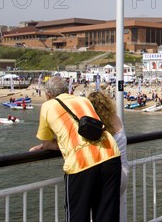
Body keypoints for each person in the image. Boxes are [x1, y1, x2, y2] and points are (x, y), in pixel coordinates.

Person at [29, 76, 121, 222]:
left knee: (77, 215)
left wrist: (61, 143)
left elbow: (47, 144)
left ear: (48, 95)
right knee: (107, 215)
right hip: (110, 155)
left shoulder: (47, 106)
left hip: (81, 162)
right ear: (68, 90)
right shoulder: (83, 100)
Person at [88, 91, 129, 222]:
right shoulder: (116, 119)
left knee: (101, 211)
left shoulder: (97, 125)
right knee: (118, 209)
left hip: (109, 173)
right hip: (123, 172)